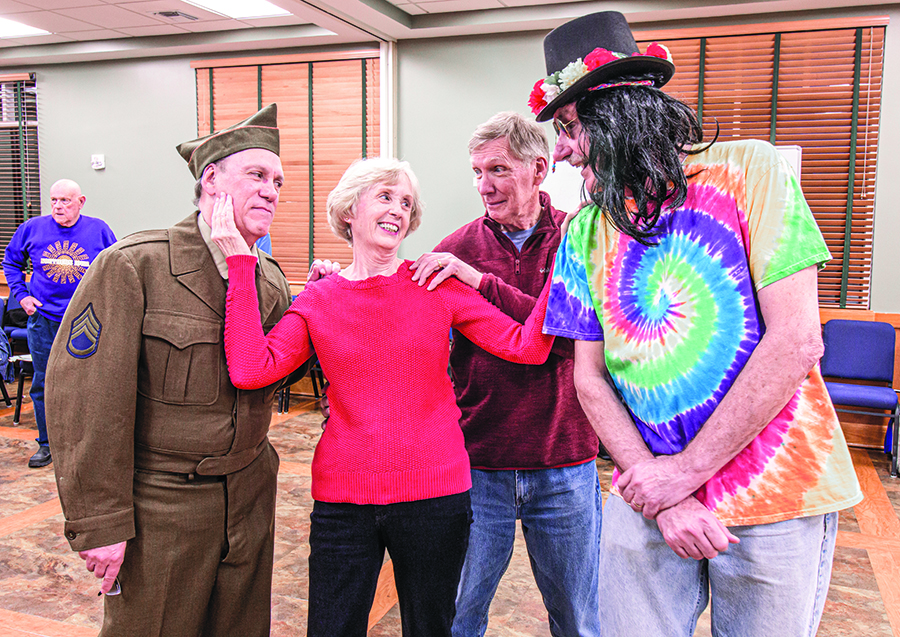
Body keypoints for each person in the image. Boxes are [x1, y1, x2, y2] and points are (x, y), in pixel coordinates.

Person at [532, 11, 864, 636]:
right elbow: (589, 379)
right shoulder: (582, 229)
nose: (563, 151)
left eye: (571, 128)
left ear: (618, 112)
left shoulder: (751, 172)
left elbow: (797, 340)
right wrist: (665, 493)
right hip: (647, 492)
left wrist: (685, 474)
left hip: (775, 490)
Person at [209, 156, 555, 637]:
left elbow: (528, 346)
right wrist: (241, 263)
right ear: (350, 210)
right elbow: (251, 369)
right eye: (386, 196)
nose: (398, 209)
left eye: (407, 202)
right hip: (343, 499)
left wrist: (566, 269)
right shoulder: (318, 298)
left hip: (436, 496)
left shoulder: (435, 285)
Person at [45, 104, 292, 636]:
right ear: (211, 179)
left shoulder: (268, 278)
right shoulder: (137, 266)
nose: (272, 190)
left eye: (277, 180)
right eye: (257, 175)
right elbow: (86, 403)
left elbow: (272, 374)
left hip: (248, 499)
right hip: (162, 508)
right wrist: (101, 522)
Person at [407, 112, 601, 637]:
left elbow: (567, 340)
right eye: (476, 172)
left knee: (578, 620)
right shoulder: (453, 250)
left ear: (539, 169)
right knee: (458, 619)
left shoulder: (579, 239)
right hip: (476, 465)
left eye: (498, 169)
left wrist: (480, 284)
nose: (484, 186)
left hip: (565, 463)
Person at [2, 179, 116, 468]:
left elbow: (116, 266)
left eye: (65, 201)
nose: (58, 206)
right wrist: (23, 296)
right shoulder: (32, 228)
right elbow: (11, 262)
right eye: (53, 200)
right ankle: (46, 443)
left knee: (87, 383)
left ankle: (85, 445)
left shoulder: (98, 229)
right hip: (43, 320)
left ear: (81, 201)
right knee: (44, 383)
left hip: (84, 320)